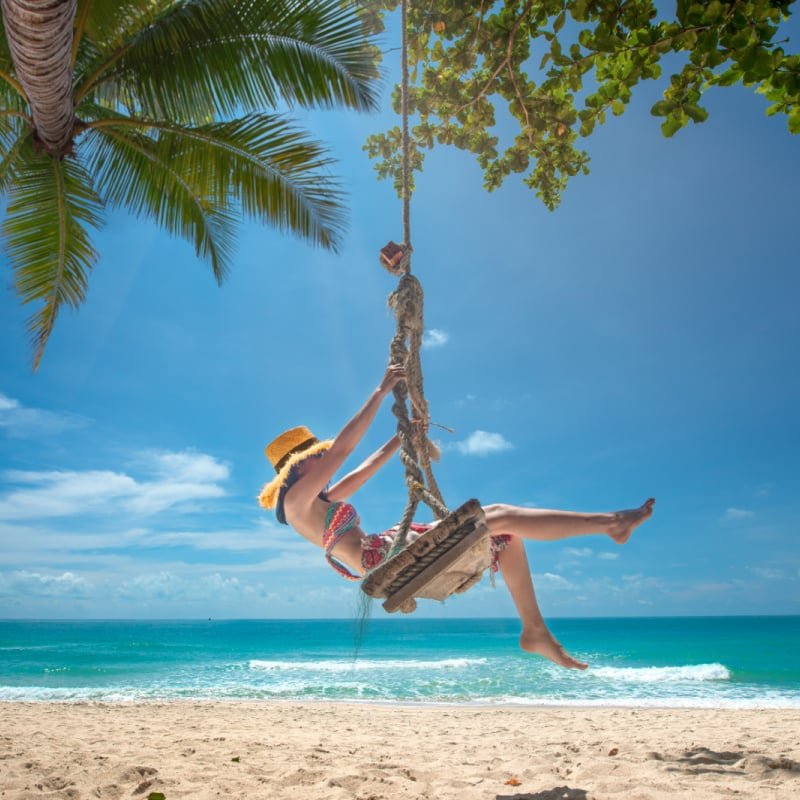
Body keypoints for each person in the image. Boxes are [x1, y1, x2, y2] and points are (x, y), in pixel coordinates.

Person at [259, 363, 655, 670]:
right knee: (494, 515)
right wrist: (380, 392)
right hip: (383, 560)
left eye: (317, 456)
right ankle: (610, 523)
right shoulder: (297, 504)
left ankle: (535, 631)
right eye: (312, 457)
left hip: (392, 551)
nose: (319, 460)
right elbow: (342, 451)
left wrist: (403, 434)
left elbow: (366, 465)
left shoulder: (320, 497)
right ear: (295, 469)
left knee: (506, 537)